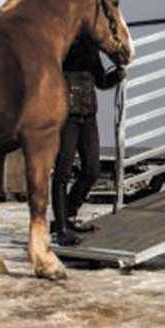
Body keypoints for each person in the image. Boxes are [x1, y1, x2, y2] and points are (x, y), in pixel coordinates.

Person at [52, 36, 125, 246]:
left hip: (88, 114)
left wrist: (115, 76)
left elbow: (100, 81)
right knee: (62, 172)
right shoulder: (65, 46)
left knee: (92, 169)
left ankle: (68, 215)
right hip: (67, 114)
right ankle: (62, 227)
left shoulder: (92, 49)